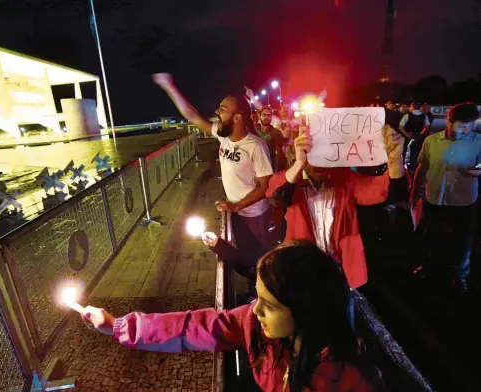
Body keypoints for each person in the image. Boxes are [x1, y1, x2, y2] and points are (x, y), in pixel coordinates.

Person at [82, 241, 384, 392]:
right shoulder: (255, 326)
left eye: (270, 304)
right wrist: (119, 326)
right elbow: (194, 327)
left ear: (306, 308)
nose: (255, 310)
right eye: (257, 297)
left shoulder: (349, 379)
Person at [152, 73, 273, 285]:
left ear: (237, 117)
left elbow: (265, 187)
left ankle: (260, 294)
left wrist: (236, 207)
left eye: (223, 109)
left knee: (259, 261)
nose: (217, 112)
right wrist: (169, 87)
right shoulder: (222, 134)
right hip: (235, 211)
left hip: (254, 216)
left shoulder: (255, 147)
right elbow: (194, 116)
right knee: (243, 255)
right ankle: (252, 291)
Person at [265, 125, 406, 289]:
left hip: (337, 267)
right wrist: (299, 164)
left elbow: (386, 192)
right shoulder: (290, 180)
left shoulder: (345, 180)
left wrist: (395, 159)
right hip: (300, 266)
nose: (321, 161)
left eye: (327, 152)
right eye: (315, 152)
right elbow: (278, 199)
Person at [410, 102, 481, 293]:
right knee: (432, 236)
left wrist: (477, 172)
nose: (468, 130)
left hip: (464, 201)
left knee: (463, 241)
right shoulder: (431, 141)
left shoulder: (478, 142)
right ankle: (429, 268)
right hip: (434, 199)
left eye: (471, 125)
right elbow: (422, 167)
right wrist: (414, 192)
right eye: (463, 125)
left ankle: (460, 276)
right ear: (449, 121)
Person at [399, 102, 430, 174]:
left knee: (405, 151)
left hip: (408, 137)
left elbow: (400, 127)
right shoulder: (424, 116)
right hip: (419, 137)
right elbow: (426, 127)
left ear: (412, 107)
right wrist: (420, 135)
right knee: (416, 152)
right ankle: (415, 168)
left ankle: (404, 167)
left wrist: (407, 135)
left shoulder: (407, 115)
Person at [257, 107, 286, 171]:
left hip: (269, 168)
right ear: (260, 116)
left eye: (269, 115)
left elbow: (280, 154)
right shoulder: (255, 131)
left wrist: (277, 171)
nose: (266, 117)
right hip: (255, 167)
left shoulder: (276, 133)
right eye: (264, 115)